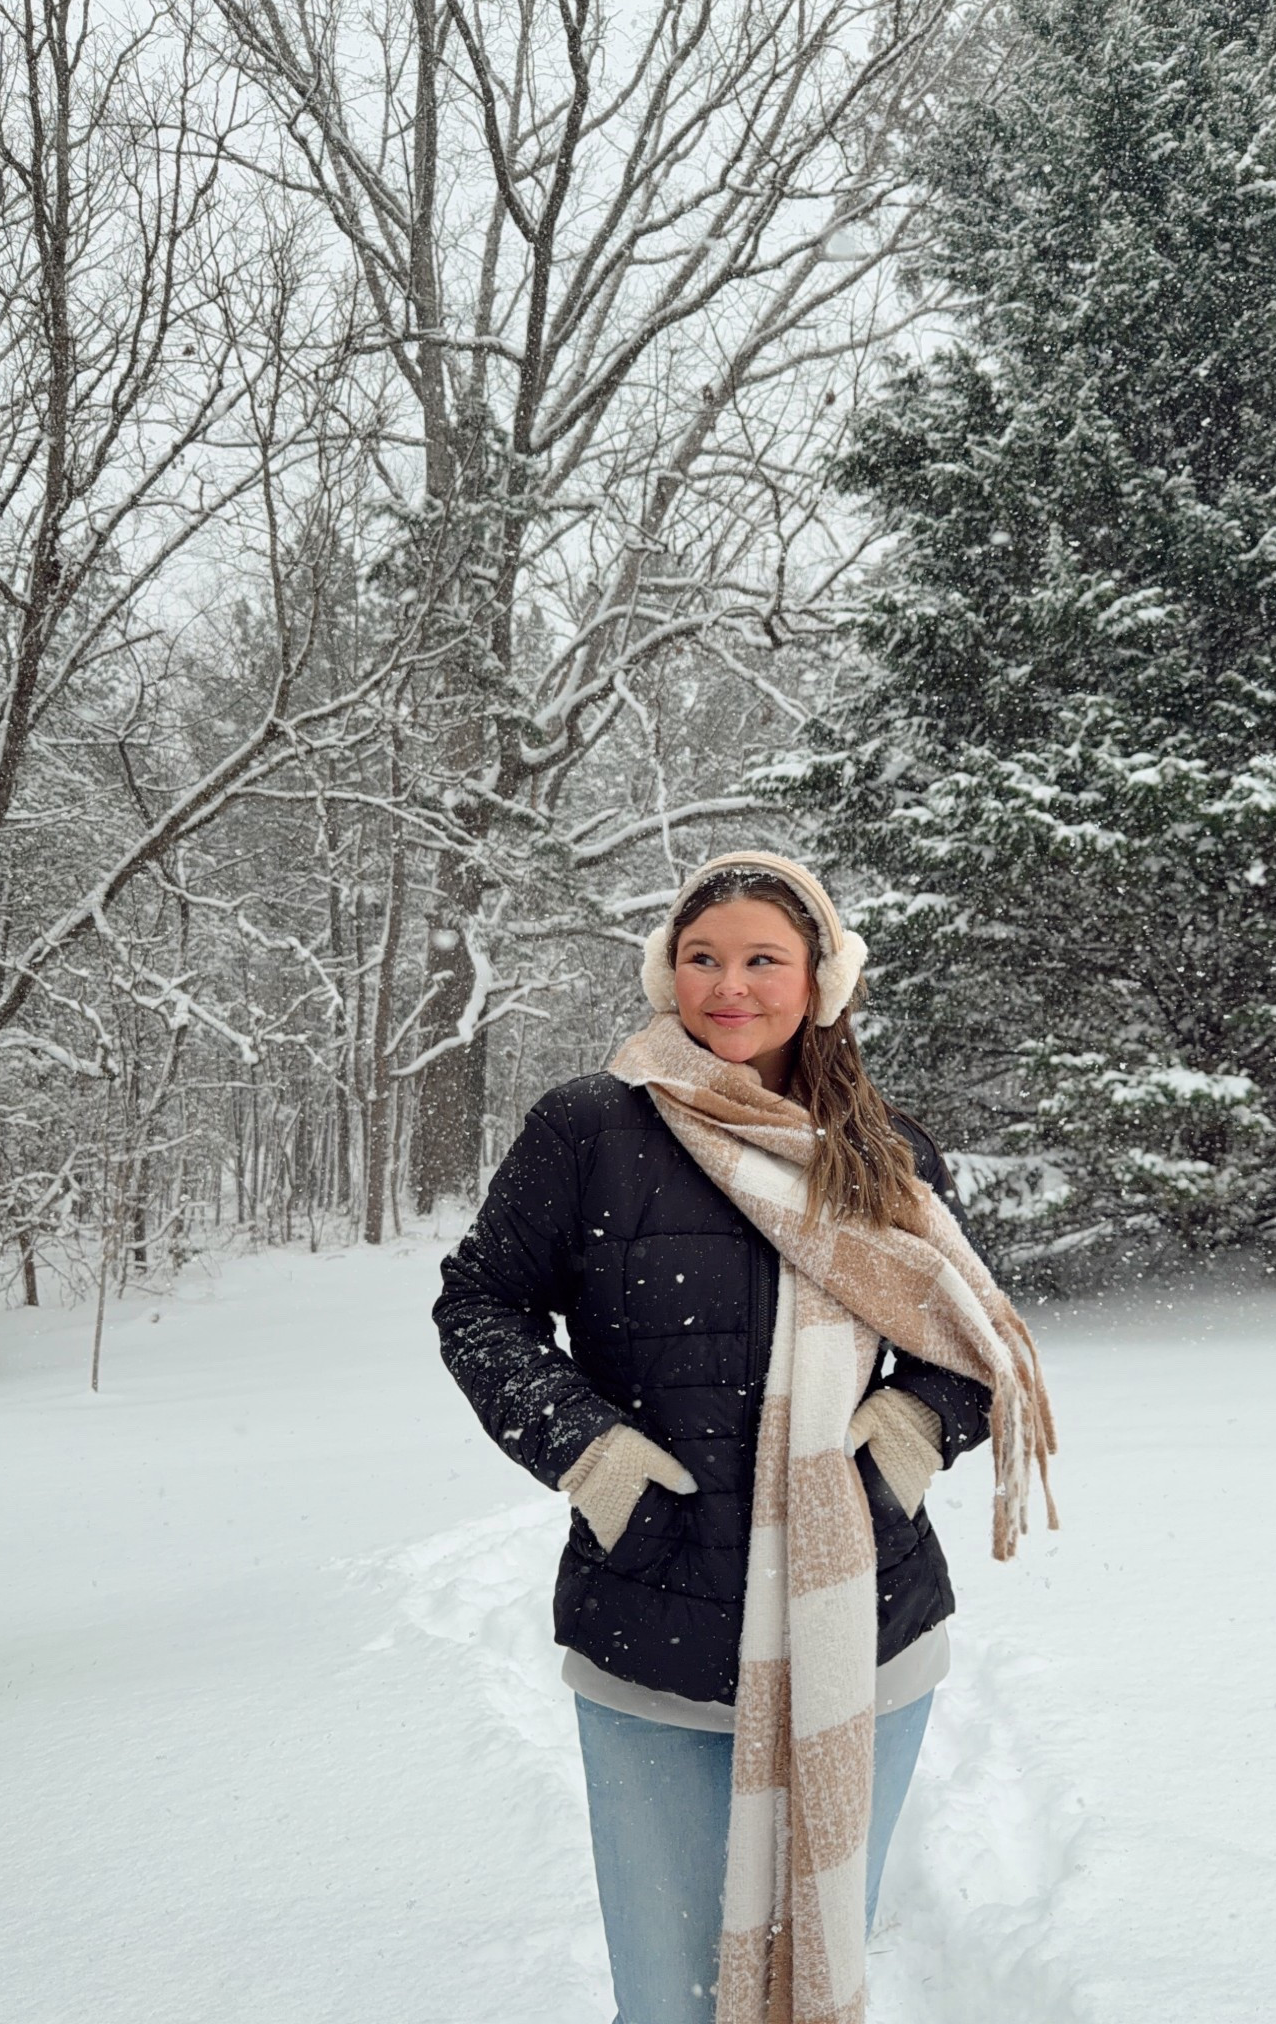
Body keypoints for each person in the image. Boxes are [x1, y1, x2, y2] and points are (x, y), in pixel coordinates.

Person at [432, 852, 1055, 2024]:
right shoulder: (589, 1128)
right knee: (673, 2001)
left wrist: (907, 1436)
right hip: (653, 1624)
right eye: (702, 956)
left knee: (804, 1973)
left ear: (819, 977)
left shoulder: (882, 1148)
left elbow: (967, 1335)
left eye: (764, 957)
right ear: (666, 970)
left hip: (861, 1623)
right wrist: (596, 1456)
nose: (730, 985)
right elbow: (479, 1305)